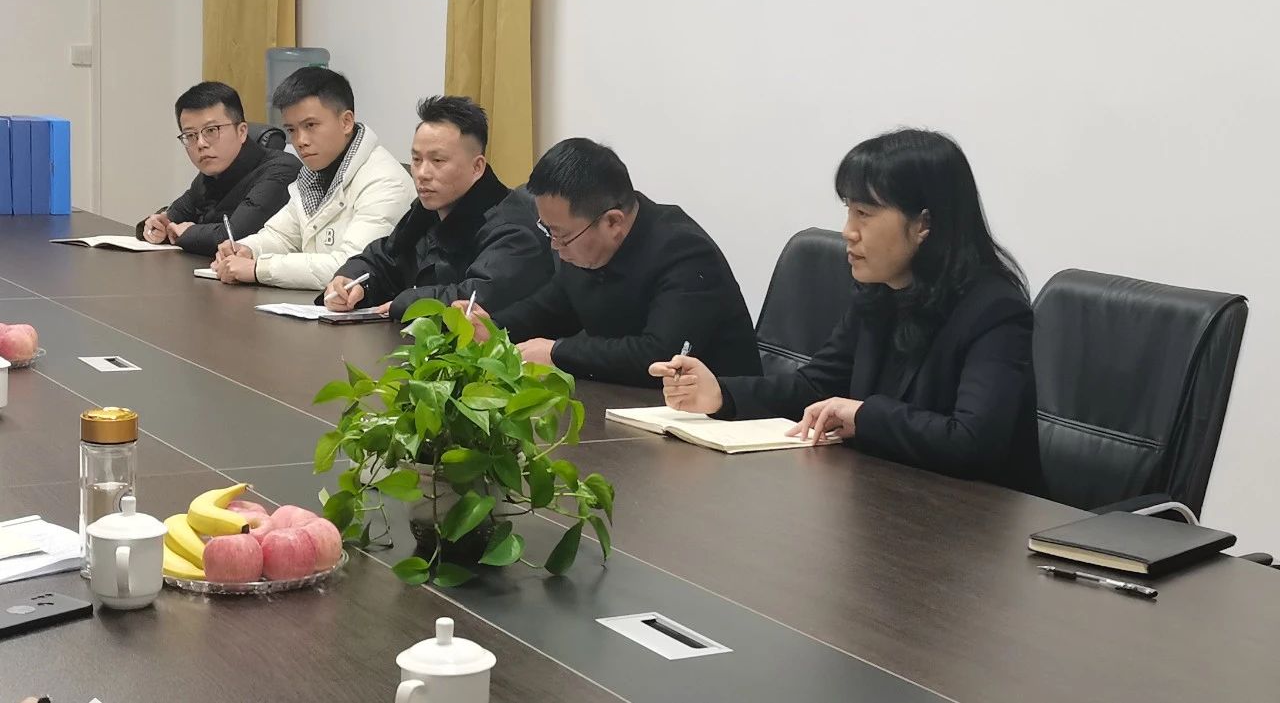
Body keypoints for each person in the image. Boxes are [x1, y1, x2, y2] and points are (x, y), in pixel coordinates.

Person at [649, 129, 1042, 493]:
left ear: (923, 223)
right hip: (888, 498)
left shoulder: (995, 311)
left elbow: (971, 442)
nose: (847, 231)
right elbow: (815, 386)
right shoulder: (880, 292)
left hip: (976, 520)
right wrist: (721, 394)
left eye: (864, 214)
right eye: (849, 210)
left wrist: (865, 415)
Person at [457, 138, 761, 387]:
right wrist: (493, 328)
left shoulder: (685, 252)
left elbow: (658, 357)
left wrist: (556, 353)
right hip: (632, 408)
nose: (554, 245)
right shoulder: (584, 243)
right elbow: (549, 309)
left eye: (562, 235)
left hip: (720, 423)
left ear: (613, 222)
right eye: (548, 230)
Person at [322, 95, 553, 319]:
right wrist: (352, 280)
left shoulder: (513, 231)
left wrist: (407, 303)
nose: (422, 173)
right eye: (416, 160)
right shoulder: (430, 208)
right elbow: (386, 258)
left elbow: (473, 300)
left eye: (438, 161)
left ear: (477, 167)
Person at [211, 66, 415, 289]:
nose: (300, 141)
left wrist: (259, 268)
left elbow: (350, 269)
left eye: (310, 125)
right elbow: (281, 236)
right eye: (291, 130)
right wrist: (247, 249)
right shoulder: (313, 173)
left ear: (346, 122)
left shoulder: (385, 181)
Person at [135, 81, 299, 257]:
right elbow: (173, 216)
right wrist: (155, 225)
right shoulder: (210, 174)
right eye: (190, 135)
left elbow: (235, 238)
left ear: (242, 132)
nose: (201, 143)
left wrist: (187, 232)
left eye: (211, 130)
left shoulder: (280, 169)